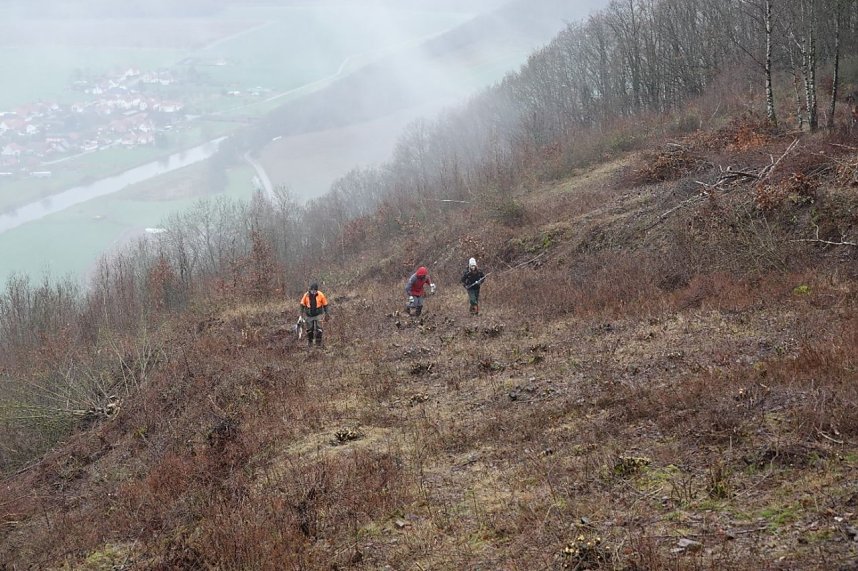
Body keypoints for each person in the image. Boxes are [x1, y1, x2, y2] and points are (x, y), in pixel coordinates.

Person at [300, 282, 329, 347]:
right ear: (310, 290)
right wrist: (301, 315)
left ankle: (318, 343)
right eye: (312, 290)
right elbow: (302, 305)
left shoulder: (321, 294)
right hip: (309, 315)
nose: (313, 292)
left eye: (315, 290)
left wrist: (327, 314)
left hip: (318, 314)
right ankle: (310, 342)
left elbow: (325, 304)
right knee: (309, 330)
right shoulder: (306, 295)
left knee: (319, 329)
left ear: (317, 290)